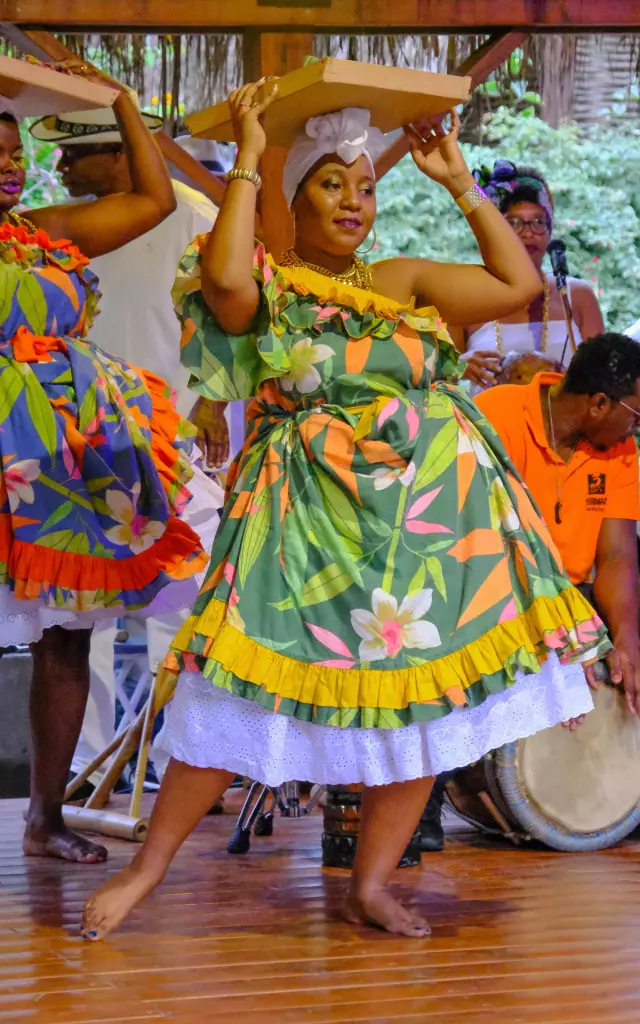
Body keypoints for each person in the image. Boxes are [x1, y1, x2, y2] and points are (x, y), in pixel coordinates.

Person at [83, 80, 609, 942]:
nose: (355, 203)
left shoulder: (401, 279)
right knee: (238, 694)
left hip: (419, 527)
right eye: (332, 184)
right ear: (294, 197)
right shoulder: (269, 287)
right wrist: (250, 160)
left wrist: (459, 182)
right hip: (304, 519)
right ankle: (147, 869)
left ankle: (371, 883)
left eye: (366, 188)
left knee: (418, 711)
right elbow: (222, 279)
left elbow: (515, 287)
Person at [0, 58, 214, 864]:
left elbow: (155, 201)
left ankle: (44, 817)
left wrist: (121, 100)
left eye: (15, 155)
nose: (12, 169)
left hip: (61, 450)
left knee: (65, 635)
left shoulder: (43, 234)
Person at [30, 107, 226, 789]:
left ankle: (175, 764)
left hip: (165, 436)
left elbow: (222, 316)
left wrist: (211, 400)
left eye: (73, 155)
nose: (59, 168)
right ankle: (87, 769)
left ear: (120, 154)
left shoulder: (195, 214)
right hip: (71, 438)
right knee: (81, 620)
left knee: (188, 604)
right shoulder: (51, 227)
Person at [419, 333, 640, 850]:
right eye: (635, 413)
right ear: (599, 402)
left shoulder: (620, 451)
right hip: (482, 584)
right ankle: (422, 798)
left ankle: (621, 797)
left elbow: (618, 557)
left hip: (573, 596)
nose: (636, 427)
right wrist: (559, 632)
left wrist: (624, 641)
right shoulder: (494, 415)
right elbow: (465, 538)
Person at [449, 160, 605, 392]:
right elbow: (435, 381)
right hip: (486, 427)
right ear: (492, 231)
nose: (528, 232)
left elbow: (606, 384)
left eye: (538, 222)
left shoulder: (576, 297)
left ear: (550, 231)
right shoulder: (465, 300)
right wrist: (455, 368)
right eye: (513, 222)